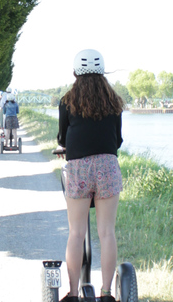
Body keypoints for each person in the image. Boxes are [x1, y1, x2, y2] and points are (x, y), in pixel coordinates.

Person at [56, 49, 124, 302]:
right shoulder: (113, 101)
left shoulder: (68, 100)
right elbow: (117, 139)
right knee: (107, 232)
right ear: (102, 72)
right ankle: (106, 293)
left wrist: (68, 146)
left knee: (76, 233)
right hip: (107, 165)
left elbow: (62, 137)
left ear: (75, 73)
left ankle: (73, 294)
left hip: (79, 167)